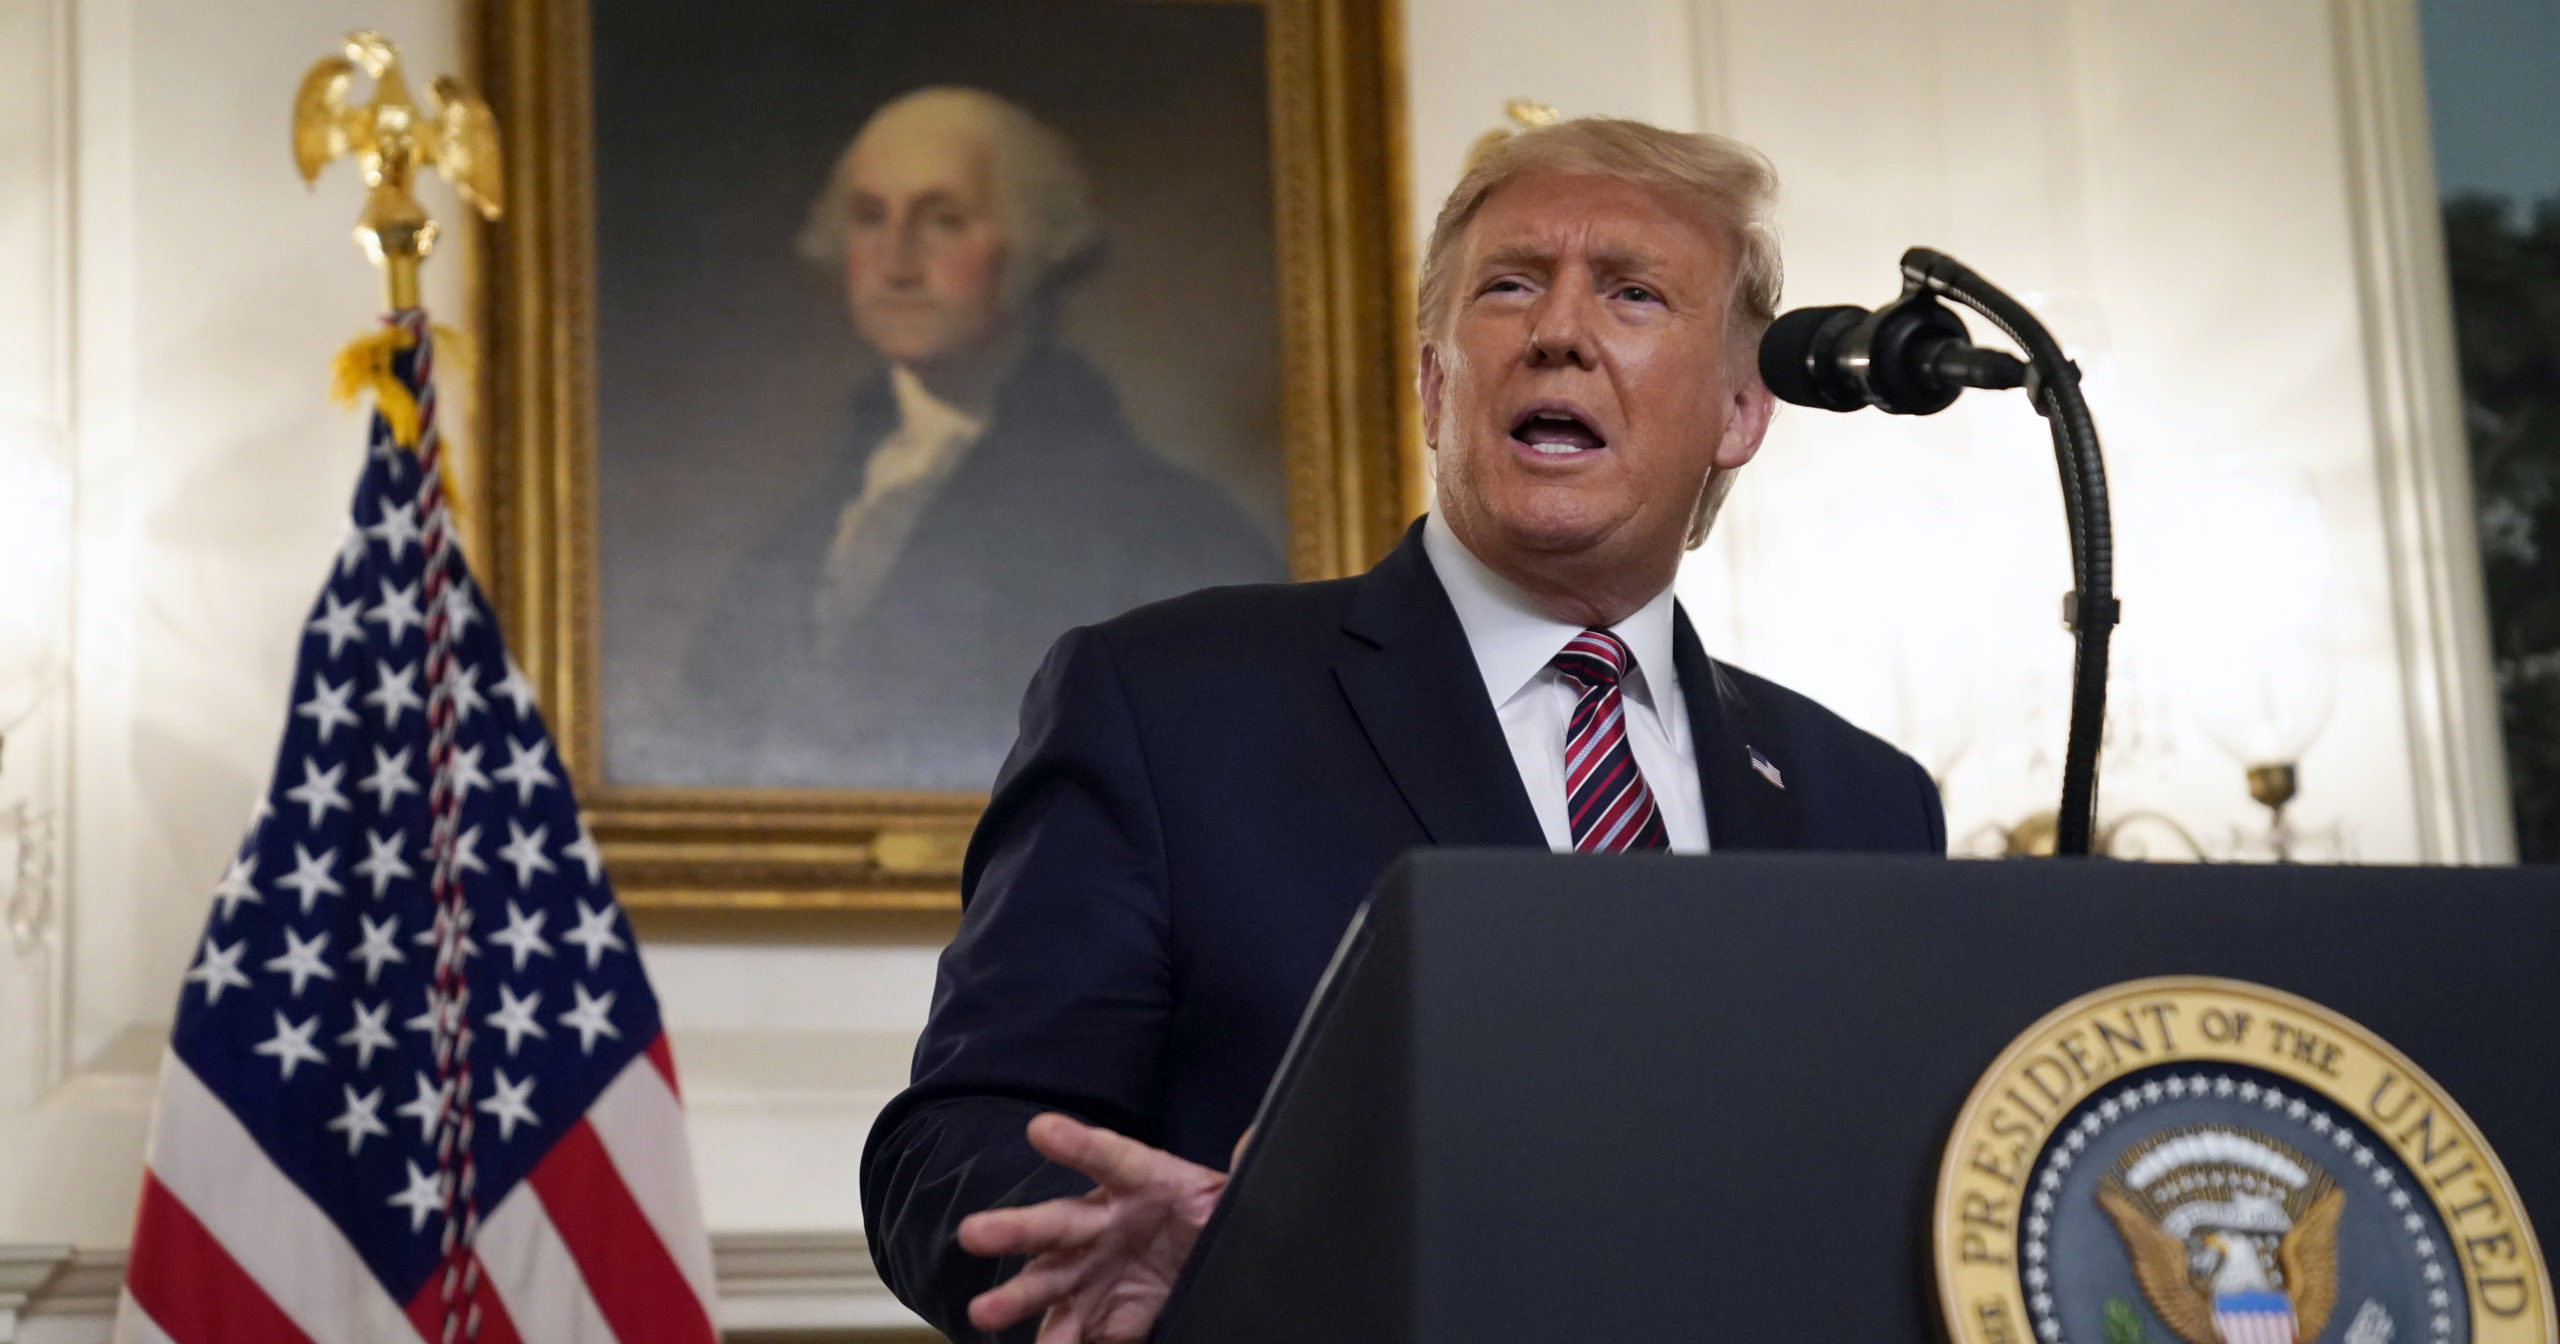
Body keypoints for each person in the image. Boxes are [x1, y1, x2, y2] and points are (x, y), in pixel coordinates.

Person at [860, 117, 1948, 1343]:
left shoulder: (1864, 798)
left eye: (1633, 294)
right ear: (1437, 386)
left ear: (1739, 413)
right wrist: (1159, 1273)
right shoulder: (1167, 701)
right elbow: (949, 1141)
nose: (1557, 331)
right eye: (1510, 285)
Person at [682, 87, 1282, 789]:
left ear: (1031, 245)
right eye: (870, 217)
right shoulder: (805, 532)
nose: (896, 260)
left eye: (943, 221)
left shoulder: (1168, 527)